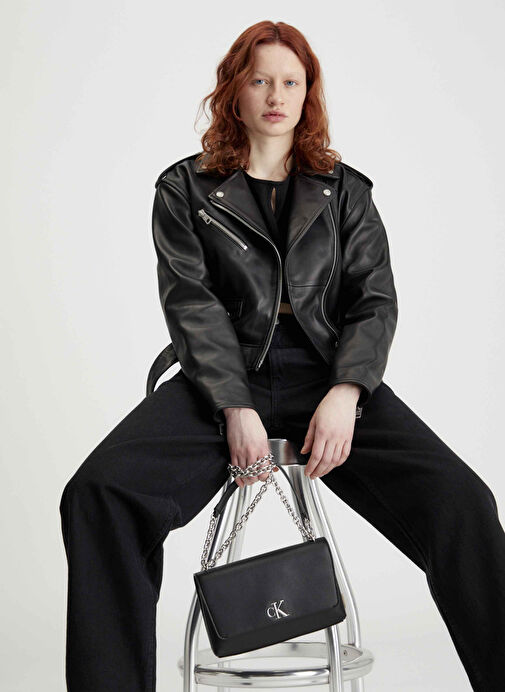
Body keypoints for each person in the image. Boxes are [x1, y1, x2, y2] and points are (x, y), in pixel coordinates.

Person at [59, 20, 505, 692]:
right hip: (221, 374)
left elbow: (373, 300)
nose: (275, 96)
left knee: (462, 503)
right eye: (260, 80)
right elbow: (192, 305)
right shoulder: (184, 190)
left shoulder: (345, 190)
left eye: (290, 82)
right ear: (233, 92)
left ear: (307, 93)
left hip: (328, 373)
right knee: (99, 494)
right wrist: (233, 406)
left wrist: (347, 392)